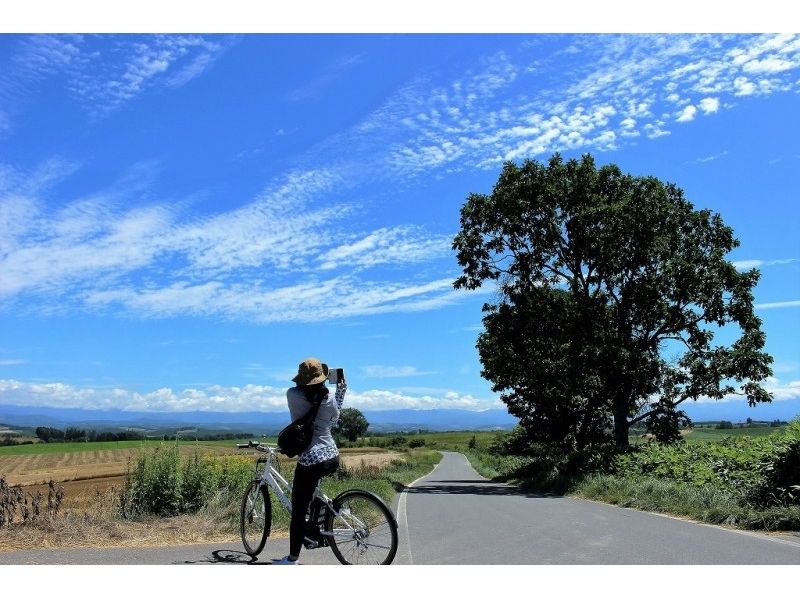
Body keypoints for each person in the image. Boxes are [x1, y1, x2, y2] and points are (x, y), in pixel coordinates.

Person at [273, 357, 347, 565]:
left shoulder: (293, 395)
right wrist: (341, 391)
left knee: (298, 511)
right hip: (332, 455)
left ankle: (292, 559)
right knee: (312, 493)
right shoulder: (329, 398)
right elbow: (335, 417)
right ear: (322, 379)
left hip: (311, 458)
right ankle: (314, 528)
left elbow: (300, 396)